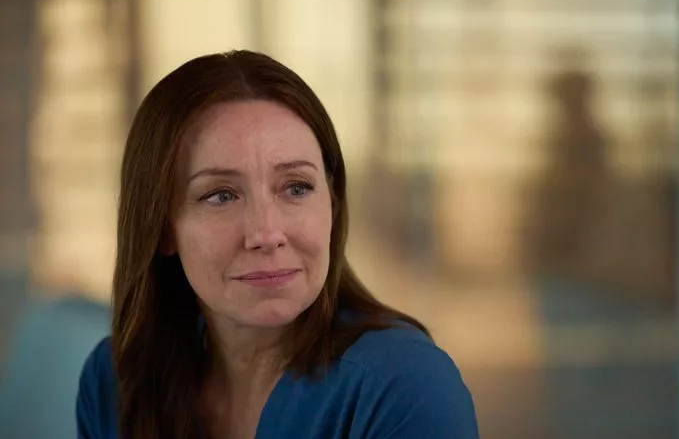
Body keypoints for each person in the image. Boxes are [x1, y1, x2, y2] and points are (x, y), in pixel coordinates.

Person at [76, 50, 479, 439]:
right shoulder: (115, 381)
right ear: (162, 227)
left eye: (296, 187)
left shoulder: (404, 384)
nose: (267, 234)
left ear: (333, 203)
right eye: (220, 195)